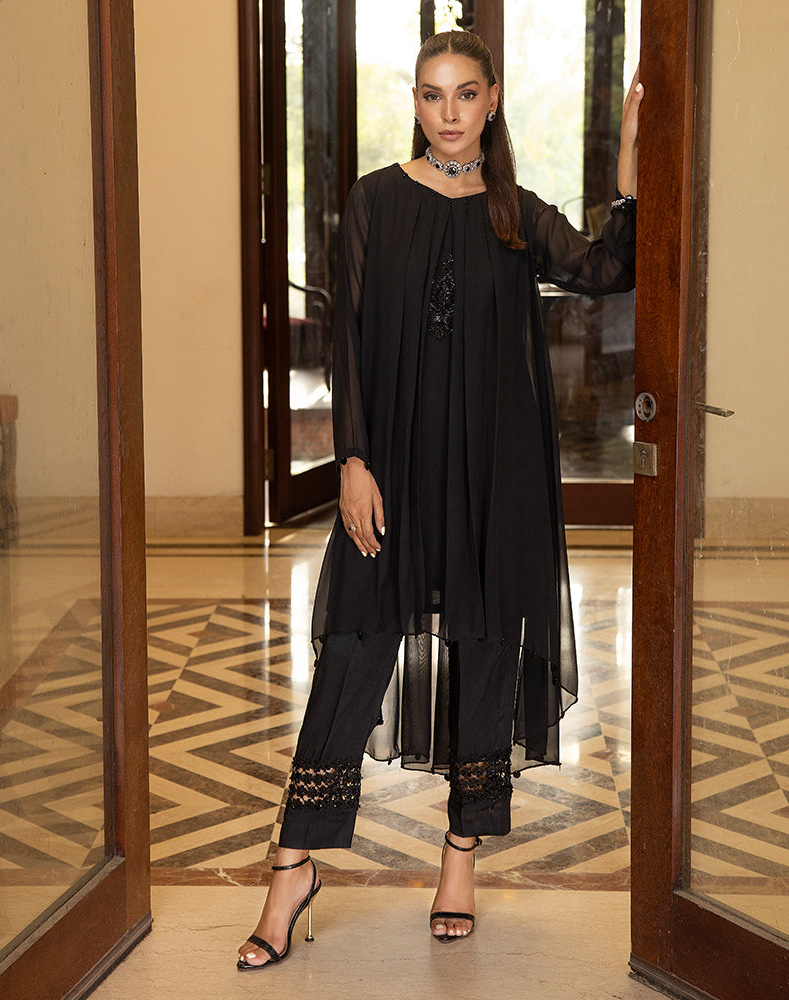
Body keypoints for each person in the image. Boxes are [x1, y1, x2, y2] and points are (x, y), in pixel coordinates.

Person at [238, 29, 643, 969]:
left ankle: (460, 857)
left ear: (491, 100)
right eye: (432, 94)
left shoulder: (517, 213)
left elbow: (606, 270)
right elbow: (347, 337)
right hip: (392, 472)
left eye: (465, 93)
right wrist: (352, 461)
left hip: (496, 476)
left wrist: (629, 159)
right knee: (353, 648)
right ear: (415, 103)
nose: (449, 112)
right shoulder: (375, 200)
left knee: (488, 649)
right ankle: (294, 864)